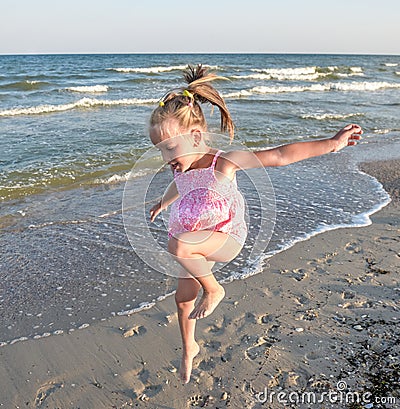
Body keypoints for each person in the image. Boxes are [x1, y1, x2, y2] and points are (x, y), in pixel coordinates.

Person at [148, 64, 362, 383]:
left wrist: (332, 144)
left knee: (178, 244)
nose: (166, 157)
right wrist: (162, 203)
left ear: (195, 136)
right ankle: (189, 346)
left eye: (169, 148)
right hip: (196, 242)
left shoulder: (225, 162)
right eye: (160, 150)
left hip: (225, 238)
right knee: (182, 300)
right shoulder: (182, 168)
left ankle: (215, 289)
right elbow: (181, 185)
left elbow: (279, 155)